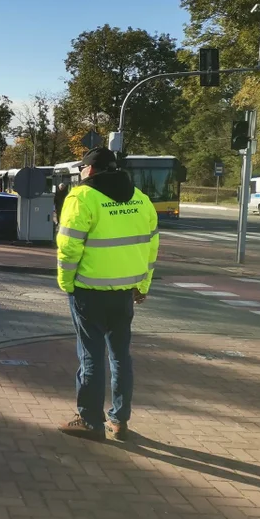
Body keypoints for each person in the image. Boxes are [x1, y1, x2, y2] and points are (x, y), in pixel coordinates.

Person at [56, 147, 158, 442]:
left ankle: (89, 421)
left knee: (90, 356)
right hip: (125, 293)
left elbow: (69, 247)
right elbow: (151, 247)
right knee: (120, 357)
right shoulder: (141, 199)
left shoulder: (82, 197)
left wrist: (67, 283)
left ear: (89, 170)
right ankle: (119, 419)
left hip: (89, 291)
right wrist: (143, 285)